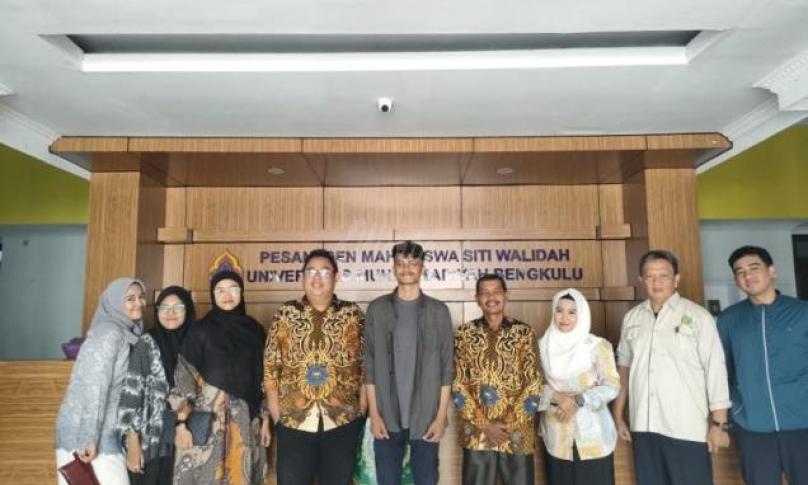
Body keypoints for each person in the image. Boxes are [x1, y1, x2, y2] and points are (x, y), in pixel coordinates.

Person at [612, 250, 731, 485]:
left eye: (663, 276)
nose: (656, 283)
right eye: (650, 276)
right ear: (641, 280)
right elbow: (623, 368)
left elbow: (715, 370)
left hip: (686, 427)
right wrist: (618, 416)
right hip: (644, 426)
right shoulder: (632, 318)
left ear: (676, 279)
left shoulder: (698, 316)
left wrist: (719, 423)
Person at [264, 249, 366, 485]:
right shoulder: (286, 314)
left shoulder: (352, 314)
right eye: (311, 271)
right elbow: (271, 365)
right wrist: (277, 414)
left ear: (336, 276)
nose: (317, 278)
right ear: (303, 278)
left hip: (342, 421)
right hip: (293, 420)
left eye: (324, 272)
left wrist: (361, 407)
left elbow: (367, 363)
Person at [364, 241, 454, 485]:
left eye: (413, 263)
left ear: (422, 268)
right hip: (386, 415)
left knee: (426, 479)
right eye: (401, 263)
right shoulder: (377, 309)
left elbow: (447, 368)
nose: (406, 268)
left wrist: (440, 417)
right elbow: (369, 366)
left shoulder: (438, 311)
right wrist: (374, 415)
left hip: (426, 416)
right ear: (393, 267)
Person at [717, 245, 808, 485]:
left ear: (772, 271)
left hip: (803, 423)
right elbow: (722, 372)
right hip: (752, 426)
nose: (747, 275)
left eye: (754, 268)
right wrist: (729, 416)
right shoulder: (728, 319)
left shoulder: (803, 313)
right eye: (740, 272)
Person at [170, 270, 269, 485]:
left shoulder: (255, 331)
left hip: (245, 423)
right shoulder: (199, 331)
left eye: (233, 289)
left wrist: (265, 420)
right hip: (208, 423)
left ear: (242, 292)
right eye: (220, 290)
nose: (227, 295)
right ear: (212, 295)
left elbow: (264, 379)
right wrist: (180, 424)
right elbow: (184, 379)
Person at [55, 277, 147, 485]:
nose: (138, 303)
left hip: (102, 432)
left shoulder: (125, 333)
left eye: (141, 297)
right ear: (114, 303)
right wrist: (88, 437)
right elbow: (93, 386)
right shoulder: (109, 333)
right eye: (130, 299)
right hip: (87, 434)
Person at [453, 274, 541, 485]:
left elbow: (534, 383)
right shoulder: (464, 334)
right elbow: (458, 385)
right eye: (485, 293)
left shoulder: (524, 333)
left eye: (496, 292)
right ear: (477, 298)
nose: (491, 297)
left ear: (506, 296)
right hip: (477, 433)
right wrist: (485, 425)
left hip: (517, 432)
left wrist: (506, 425)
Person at [537, 288, 620, 485]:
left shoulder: (597, 346)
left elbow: (612, 386)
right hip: (557, 436)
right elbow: (530, 387)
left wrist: (578, 399)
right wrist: (556, 396)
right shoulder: (540, 346)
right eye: (559, 310)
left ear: (581, 314)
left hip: (593, 436)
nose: (564, 317)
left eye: (572, 312)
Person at [118, 286, 196, 485]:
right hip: (151, 442)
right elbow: (131, 395)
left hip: (187, 440)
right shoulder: (146, 343)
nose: (171, 313)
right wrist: (133, 443)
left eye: (178, 307)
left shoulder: (197, 343)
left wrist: (181, 422)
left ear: (188, 310)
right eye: (164, 307)